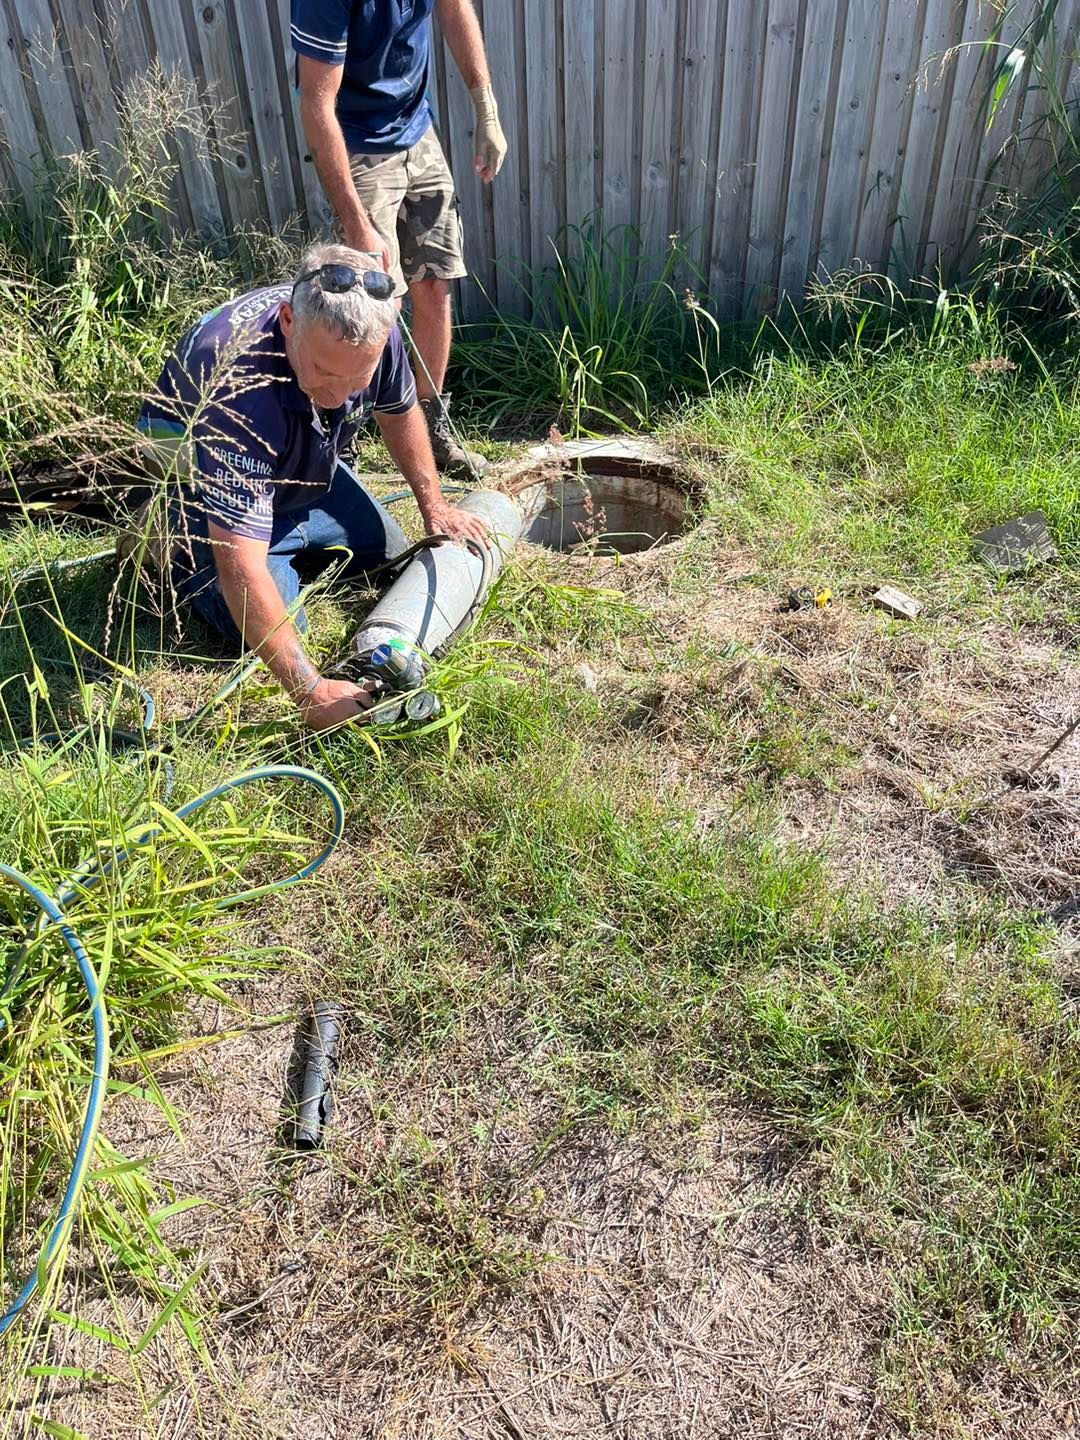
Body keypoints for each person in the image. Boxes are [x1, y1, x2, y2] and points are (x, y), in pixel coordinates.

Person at [135, 242, 489, 732]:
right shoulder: (240, 390)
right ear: (287, 321)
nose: (338, 396)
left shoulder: (369, 333)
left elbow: (399, 410)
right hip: (198, 476)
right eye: (324, 372)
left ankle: (283, 530)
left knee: (385, 553)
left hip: (292, 456)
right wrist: (310, 689)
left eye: (356, 380)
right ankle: (167, 547)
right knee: (274, 626)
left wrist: (434, 507)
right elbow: (240, 565)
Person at [290, 0, 506, 478]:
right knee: (367, 307)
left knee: (436, 283)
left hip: (417, 131)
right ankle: (338, 446)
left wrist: (485, 108)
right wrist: (356, 221)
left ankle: (431, 427)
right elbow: (316, 104)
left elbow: (453, 9)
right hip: (358, 146)